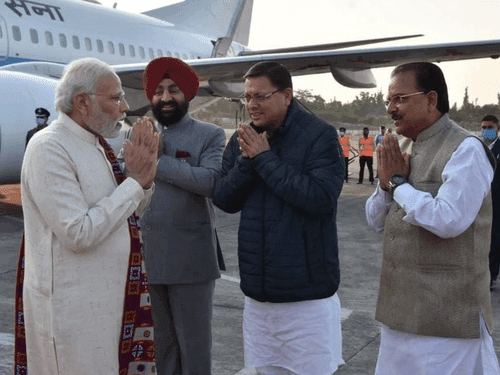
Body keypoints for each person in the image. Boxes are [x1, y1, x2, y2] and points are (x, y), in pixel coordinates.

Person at [15, 57, 159, 375]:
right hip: (71, 316)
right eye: (116, 97)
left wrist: (144, 183)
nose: (124, 107)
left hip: (107, 307)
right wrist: (134, 184)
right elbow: (78, 233)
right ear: (82, 101)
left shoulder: (96, 145)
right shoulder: (49, 148)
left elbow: (127, 213)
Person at [366, 62, 500, 374]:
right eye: (389, 100)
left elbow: (449, 220)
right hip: (399, 314)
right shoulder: (399, 146)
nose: (391, 109)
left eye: (400, 99)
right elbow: (375, 221)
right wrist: (387, 187)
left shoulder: (466, 149)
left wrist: (399, 184)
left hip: (447, 320)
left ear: (430, 99)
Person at [212, 62, 345, 375]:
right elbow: (224, 199)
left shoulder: (319, 136)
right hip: (258, 299)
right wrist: (247, 162)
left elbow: (319, 198)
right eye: (247, 97)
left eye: (261, 96)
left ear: (287, 95)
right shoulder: (243, 138)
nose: (252, 105)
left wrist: (264, 159)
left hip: (306, 300)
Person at [134, 57, 226, 375]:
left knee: (195, 352)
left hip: (191, 263)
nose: (165, 97)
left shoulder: (210, 135)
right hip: (149, 260)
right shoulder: (139, 134)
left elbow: (211, 181)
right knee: (162, 351)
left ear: (187, 93)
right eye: (158, 90)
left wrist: (159, 161)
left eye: (173, 89)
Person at [480, 115, 500, 289]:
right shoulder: (478, 149)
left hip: (497, 201)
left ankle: (491, 275)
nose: (485, 131)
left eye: (489, 127)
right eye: (483, 127)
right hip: (481, 200)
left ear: (497, 129)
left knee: (495, 238)